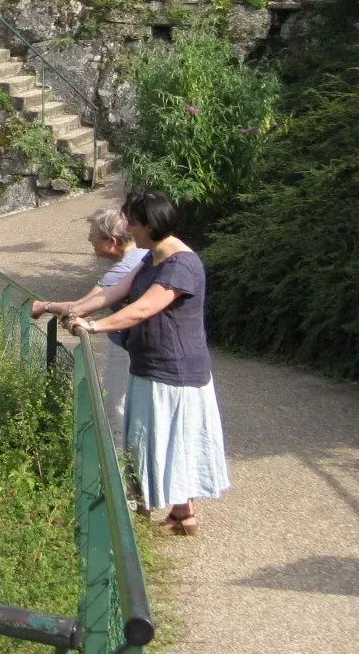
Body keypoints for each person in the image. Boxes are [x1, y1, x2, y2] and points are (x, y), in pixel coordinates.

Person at [67, 191, 229, 536]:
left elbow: (144, 308)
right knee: (157, 438)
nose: (127, 228)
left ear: (150, 225)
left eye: (133, 222)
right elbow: (118, 292)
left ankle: (155, 513)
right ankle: (182, 515)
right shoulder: (150, 257)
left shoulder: (181, 264)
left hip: (175, 371)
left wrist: (94, 326)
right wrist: (75, 310)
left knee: (167, 439)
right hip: (150, 364)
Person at [29, 206, 149, 444]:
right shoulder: (138, 256)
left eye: (93, 235)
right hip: (130, 343)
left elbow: (82, 305)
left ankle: (117, 461)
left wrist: (43, 306)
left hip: (128, 347)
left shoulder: (123, 269)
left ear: (112, 241)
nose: (89, 240)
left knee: (115, 403)